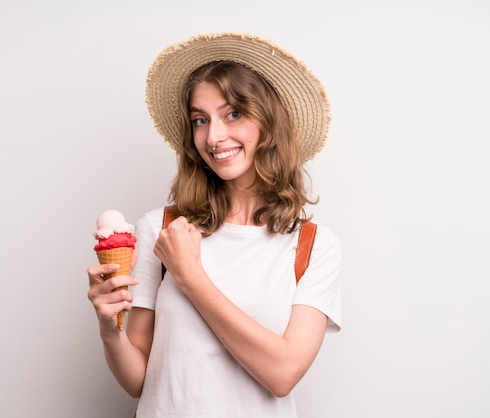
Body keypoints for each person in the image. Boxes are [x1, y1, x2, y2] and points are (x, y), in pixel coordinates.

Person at [87, 32, 342, 417]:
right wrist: (109, 328)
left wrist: (190, 276)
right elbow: (139, 380)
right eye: (200, 120)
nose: (213, 136)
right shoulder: (161, 229)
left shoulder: (312, 246)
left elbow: (283, 373)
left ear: (268, 122)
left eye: (233, 114)